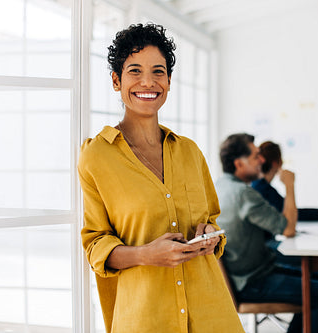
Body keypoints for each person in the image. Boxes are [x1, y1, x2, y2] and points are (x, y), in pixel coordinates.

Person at [78, 23, 243, 333]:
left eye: (158, 71)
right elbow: (95, 244)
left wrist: (210, 235)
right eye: (135, 71)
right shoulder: (96, 157)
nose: (148, 82)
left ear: (168, 81)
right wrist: (145, 254)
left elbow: (213, 223)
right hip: (145, 318)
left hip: (211, 315)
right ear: (116, 80)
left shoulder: (190, 152)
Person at [215, 133, 318, 333]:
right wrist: (290, 186)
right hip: (252, 280)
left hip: (245, 274)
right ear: (239, 164)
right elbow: (288, 229)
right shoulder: (244, 194)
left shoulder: (220, 186)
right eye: (255, 157)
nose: (261, 160)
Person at [252, 141, 318, 221]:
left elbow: (292, 210)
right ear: (276, 163)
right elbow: (293, 215)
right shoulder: (264, 189)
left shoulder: (259, 185)